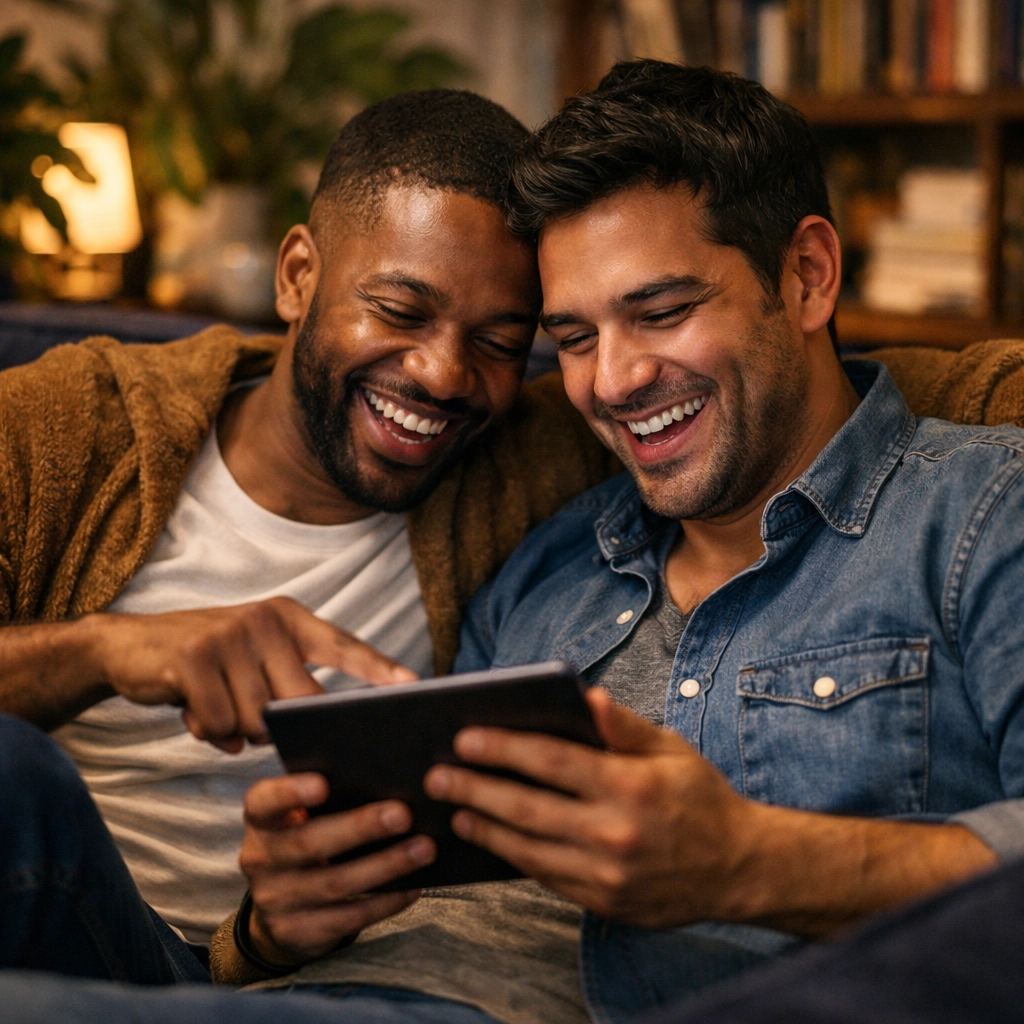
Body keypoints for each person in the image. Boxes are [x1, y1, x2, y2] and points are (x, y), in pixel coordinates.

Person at [211, 62, 1024, 1023]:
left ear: (807, 276)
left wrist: (752, 864)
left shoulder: (982, 513)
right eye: (575, 337)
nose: (612, 381)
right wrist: (268, 929)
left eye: (662, 311)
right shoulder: (547, 564)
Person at [0, 88, 613, 948]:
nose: (443, 374)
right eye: (400, 311)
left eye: (500, 343)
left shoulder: (526, 459)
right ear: (298, 277)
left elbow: (828, 391)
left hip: (279, 977)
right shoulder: (65, 425)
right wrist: (104, 650)